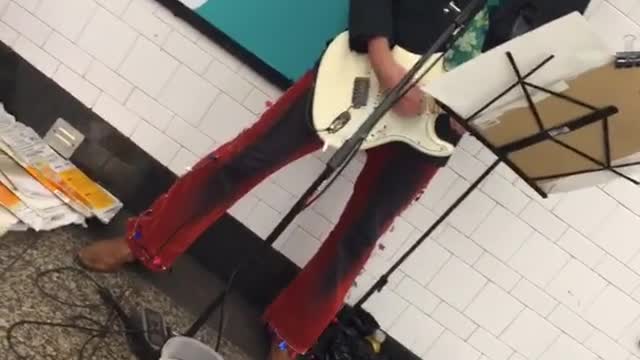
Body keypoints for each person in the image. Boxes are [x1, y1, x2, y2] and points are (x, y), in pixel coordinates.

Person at [77, 0, 589, 358]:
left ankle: (292, 332)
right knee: (245, 159)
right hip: (366, 67)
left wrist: (477, 110)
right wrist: (384, 60)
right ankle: (147, 241)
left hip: (438, 121)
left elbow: (535, 55)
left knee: (361, 233)